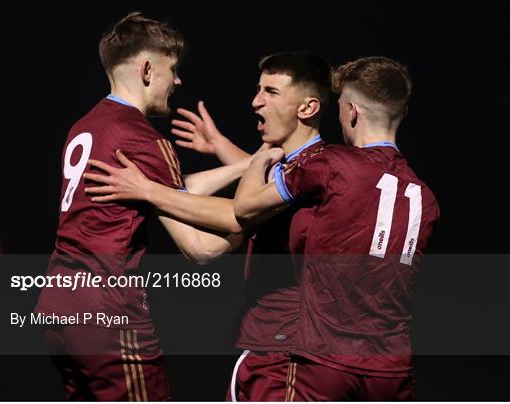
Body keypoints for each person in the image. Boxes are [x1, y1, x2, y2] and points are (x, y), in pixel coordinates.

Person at [84, 52, 332, 400]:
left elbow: (238, 213)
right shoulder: (291, 166)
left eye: (271, 92)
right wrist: (219, 147)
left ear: (306, 109)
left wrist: (148, 189)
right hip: (270, 344)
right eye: (258, 89)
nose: (255, 101)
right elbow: (262, 176)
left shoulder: (315, 168)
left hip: (288, 349)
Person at [35, 11, 245, 401]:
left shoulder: (85, 125)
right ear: (147, 68)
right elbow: (200, 248)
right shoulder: (143, 139)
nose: (178, 81)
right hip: (108, 311)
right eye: (173, 69)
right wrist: (260, 212)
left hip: (58, 307)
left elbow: (172, 191)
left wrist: (246, 165)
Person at [231, 56, 440, 400]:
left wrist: (260, 158)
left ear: (352, 112)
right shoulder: (426, 199)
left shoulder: (331, 163)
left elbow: (245, 206)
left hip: (324, 362)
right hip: (391, 371)